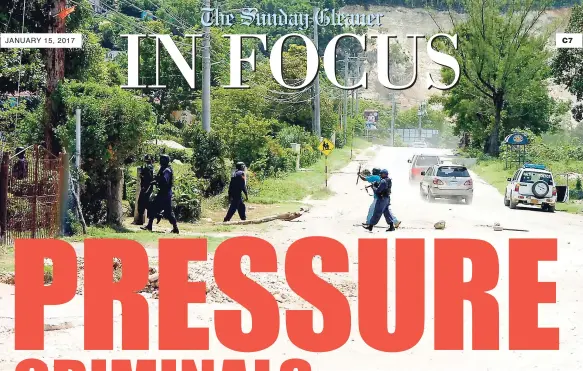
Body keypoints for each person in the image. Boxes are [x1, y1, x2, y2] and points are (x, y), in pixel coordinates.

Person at [141, 154, 179, 234]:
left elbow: (164, 180)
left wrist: (157, 180)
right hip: (163, 192)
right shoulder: (163, 168)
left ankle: (175, 227)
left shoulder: (167, 170)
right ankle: (150, 225)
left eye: (161, 160)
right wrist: (154, 180)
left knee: (167, 212)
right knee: (153, 207)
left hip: (165, 194)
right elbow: (159, 178)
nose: (160, 161)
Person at [133, 155, 155, 225]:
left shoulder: (147, 167)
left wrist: (142, 176)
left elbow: (147, 178)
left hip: (145, 188)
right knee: (144, 204)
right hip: (148, 188)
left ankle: (156, 215)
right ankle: (141, 220)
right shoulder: (151, 167)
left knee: (142, 203)